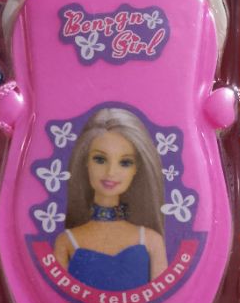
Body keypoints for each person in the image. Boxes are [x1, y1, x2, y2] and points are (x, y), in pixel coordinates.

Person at [53, 108, 167, 290]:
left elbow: (161, 301)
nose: (111, 172)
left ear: (136, 169)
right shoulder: (65, 242)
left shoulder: (152, 241)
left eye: (125, 162)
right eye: (100, 159)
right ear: (85, 161)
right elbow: (58, 299)